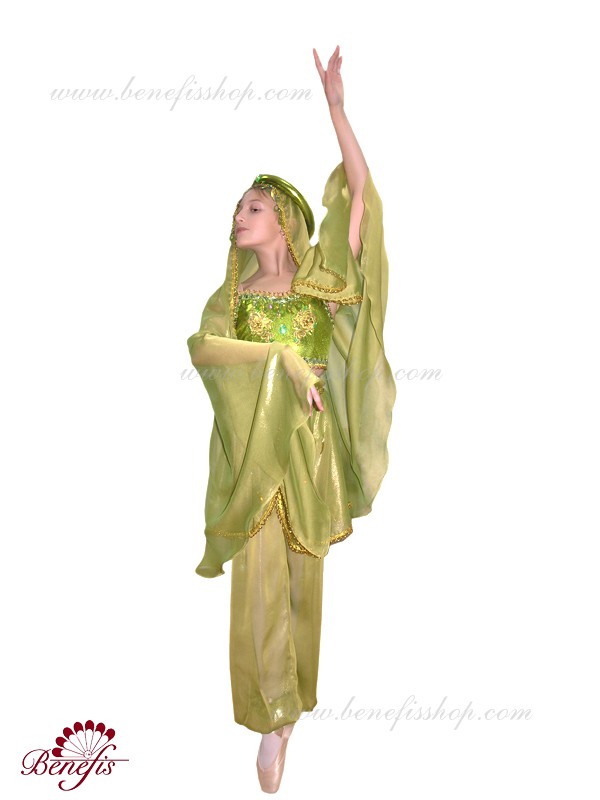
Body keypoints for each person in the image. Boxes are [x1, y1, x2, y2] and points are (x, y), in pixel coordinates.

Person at [186, 45, 396, 793]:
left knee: (304, 586)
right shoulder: (232, 299)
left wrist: (336, 109)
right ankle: (268, 711)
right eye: (237, 209)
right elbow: (207, 350)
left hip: (311, 453)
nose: (238, 217)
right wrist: (279, 364)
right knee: (258, 584)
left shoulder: (317, 285)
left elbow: (362, 198)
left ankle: (289, 714)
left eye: (253, 207)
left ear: (285, 221)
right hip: (258, 453)